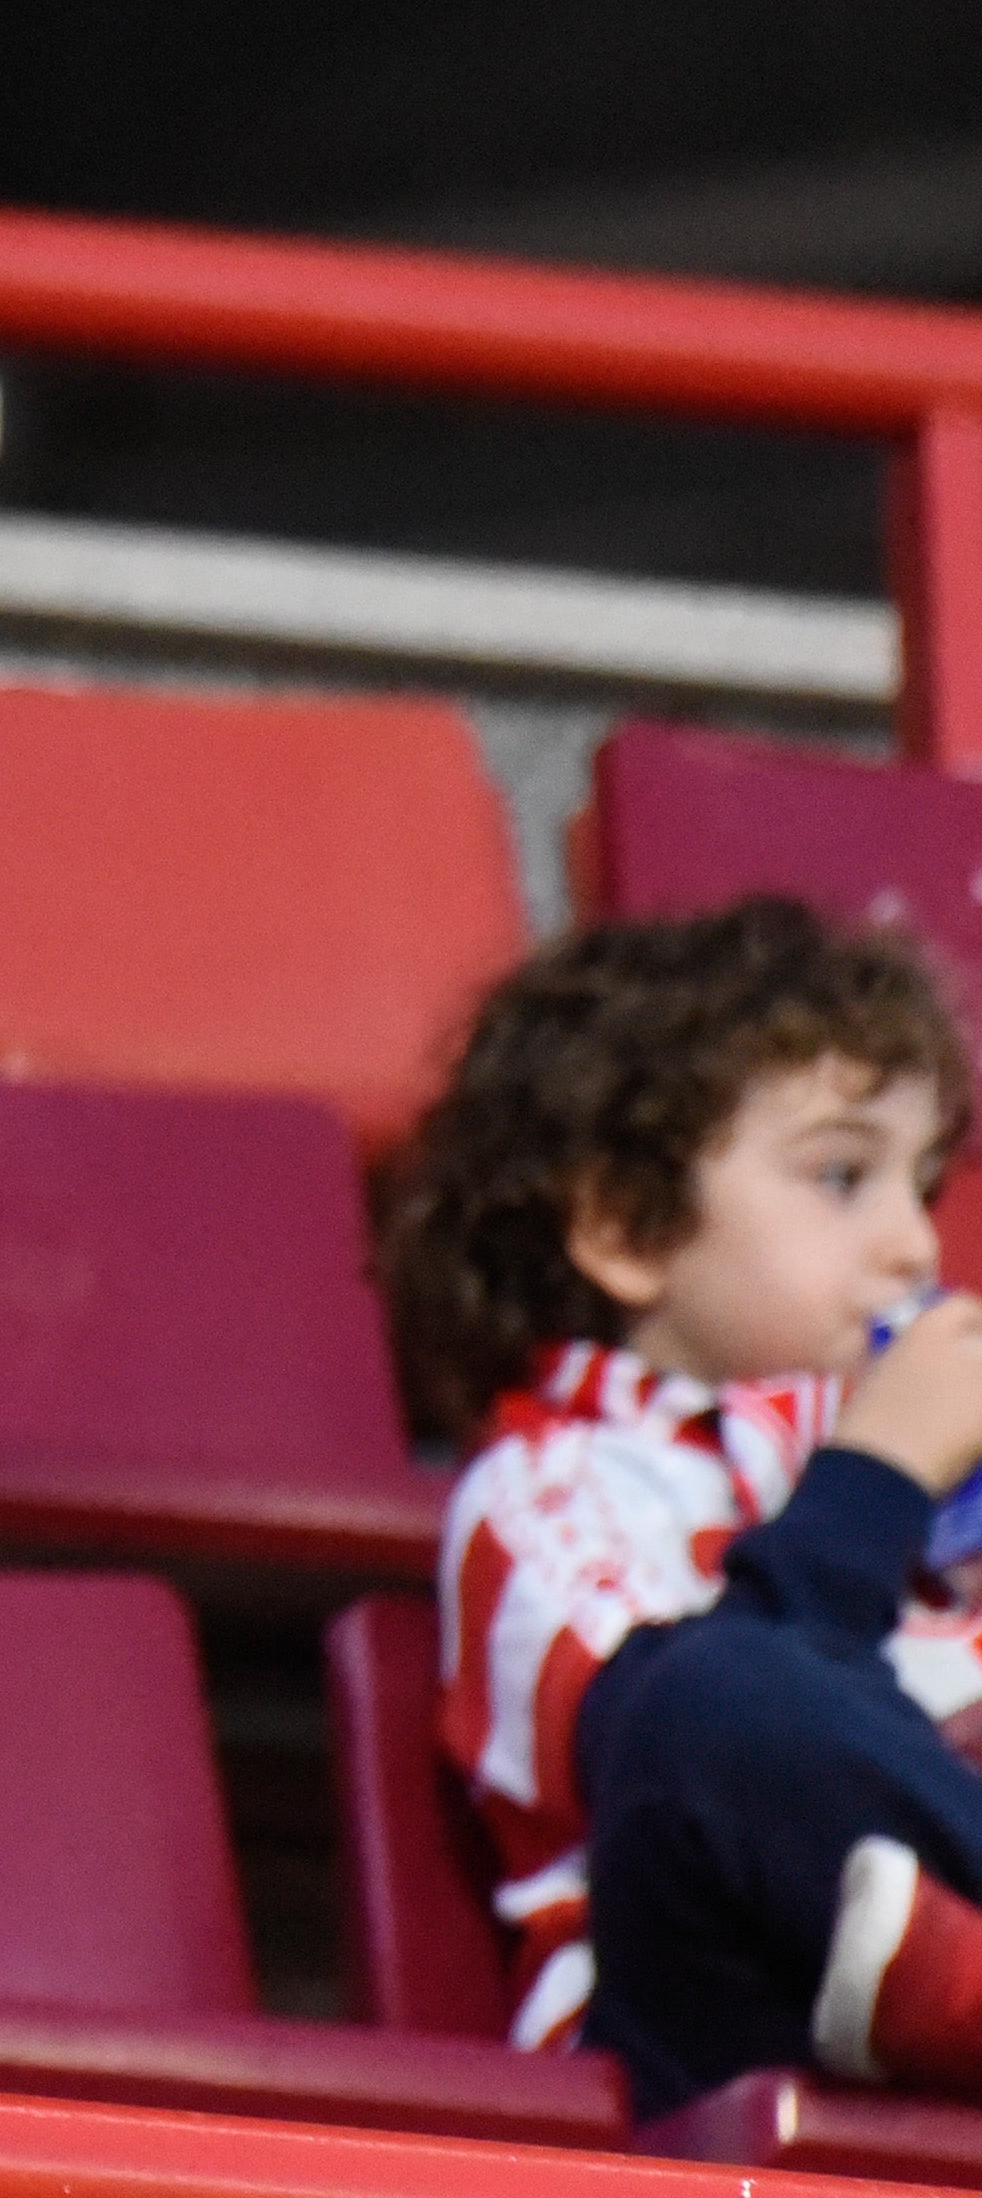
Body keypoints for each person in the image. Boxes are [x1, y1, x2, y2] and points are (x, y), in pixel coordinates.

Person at [389, 898, 982, 2110]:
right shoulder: (550, 1485)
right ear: (624, 1226)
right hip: (707, 2045)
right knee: (705, 1691)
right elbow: (694, 1756)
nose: (913, 1244)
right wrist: (874, 1479)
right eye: (840, 1174)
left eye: (921, 1185)